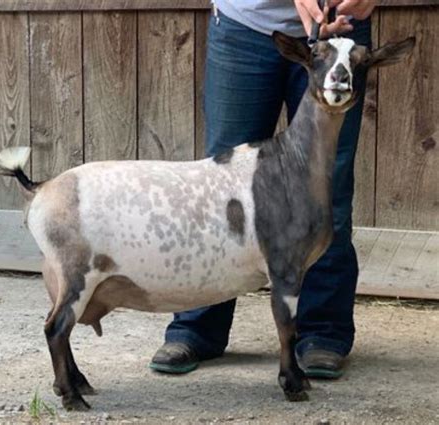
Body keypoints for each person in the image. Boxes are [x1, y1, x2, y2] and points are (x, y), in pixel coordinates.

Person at [150, 0, 376, 379]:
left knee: (327, 186)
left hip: (342, 36)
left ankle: (322, 333)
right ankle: (197, 326)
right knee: (220, 186)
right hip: (246, 26)